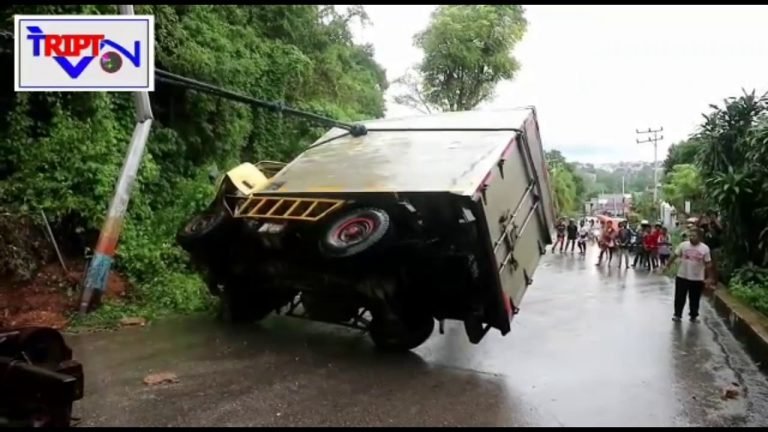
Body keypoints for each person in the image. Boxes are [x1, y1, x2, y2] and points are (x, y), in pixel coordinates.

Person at [663, 228, 714, 322]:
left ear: (699, 237)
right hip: (682, 275)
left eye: (694, 236)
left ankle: (693, 315)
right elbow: (674, 255)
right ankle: (677, 315)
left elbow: (708, 263)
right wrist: (667, 266)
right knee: (679, 297)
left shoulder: (705, 248)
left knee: (695, 298)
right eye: (690, 235)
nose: (691, 237)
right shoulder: (683, 245)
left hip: (697, 278)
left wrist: (710, 277)